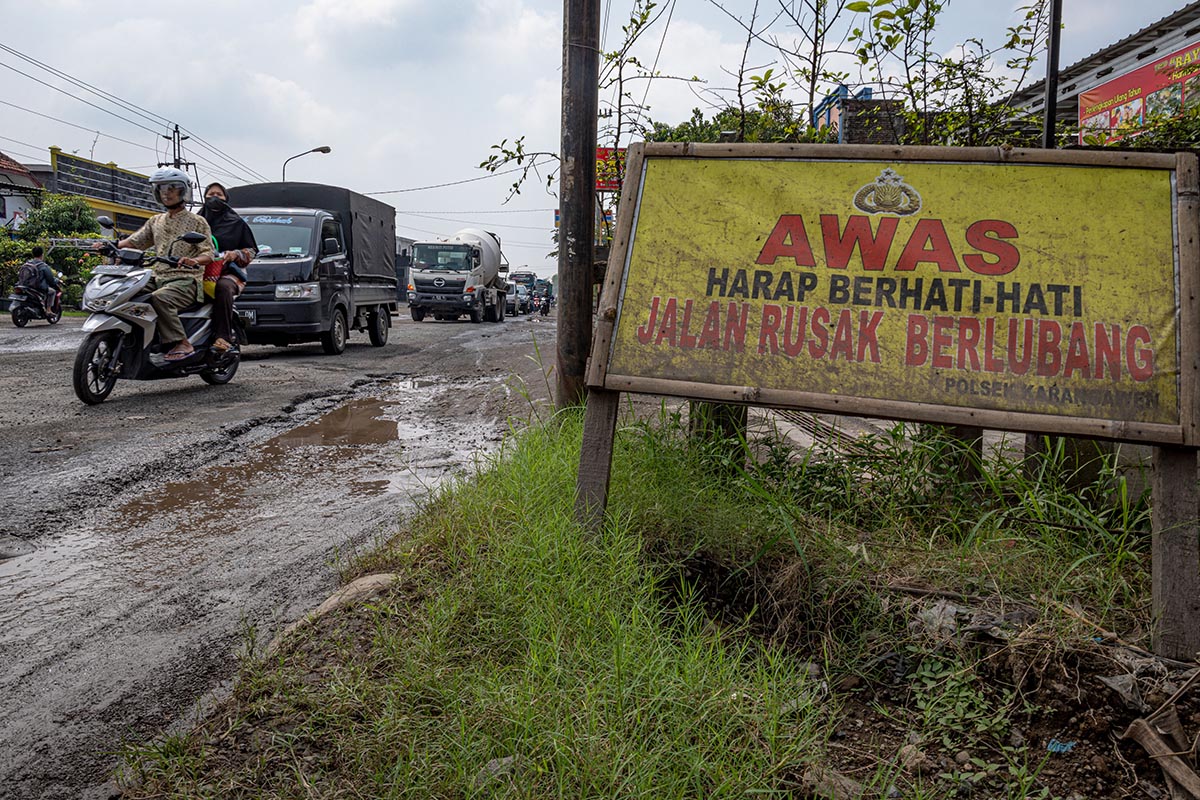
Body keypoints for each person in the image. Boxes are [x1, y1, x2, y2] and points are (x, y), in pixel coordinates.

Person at [106, 168, 214, 360]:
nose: (166, 192)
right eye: (161, 188)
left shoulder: (197, 221)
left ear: (183, 191)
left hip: (185, 280)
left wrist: (193, 261)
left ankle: (182, 342)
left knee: (159, 298)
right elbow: (135, 242)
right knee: (122, 291)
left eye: (171, 188)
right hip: (156, 276)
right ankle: (134, 338)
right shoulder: (155, 221)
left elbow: (208, 253)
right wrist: (110, 246)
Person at [199, 182, 257, 352]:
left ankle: (222, 337)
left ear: (226, 199)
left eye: (219, 195)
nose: (214, 198)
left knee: (223, 288)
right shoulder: (196, 222)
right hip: (198, 272)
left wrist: (235, 254)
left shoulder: (236, 223)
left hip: (228, 272)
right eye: (210, 194)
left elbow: (252, 251)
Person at [19, 246, 60, 314]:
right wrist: (56, 281)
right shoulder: (43, 266)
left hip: (25, 286)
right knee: (52, 292)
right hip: (38, 287)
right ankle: (49, 310)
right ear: (42, 255)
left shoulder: (27, 264)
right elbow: (50, 279)